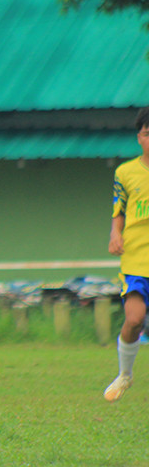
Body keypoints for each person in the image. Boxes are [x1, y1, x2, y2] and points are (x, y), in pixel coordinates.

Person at [104, 106, 149, 401]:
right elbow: (118, 209)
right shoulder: (125, 172)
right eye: (147, 133)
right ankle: (125, 375)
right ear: (139, 137)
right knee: (134, 319)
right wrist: (115, 233)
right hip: (136, 257)